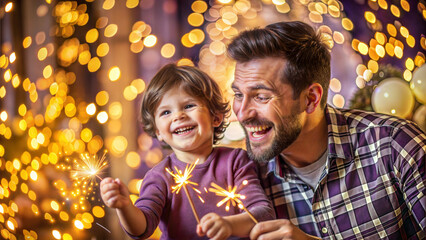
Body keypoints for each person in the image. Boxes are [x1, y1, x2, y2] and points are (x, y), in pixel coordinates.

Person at [228, 21, 426, 240]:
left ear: (311, 99)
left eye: (261, 97)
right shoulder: (246, 178)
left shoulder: (395, 144)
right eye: (238, 95)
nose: (242, 113)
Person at [100, 63, 275, 240]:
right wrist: (124, 206)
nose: (178, 116)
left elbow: (263, 214)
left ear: (216, 117)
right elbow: (142, 229)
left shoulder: (236, 161)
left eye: (189, 106)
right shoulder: (160, 177)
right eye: (166, 112)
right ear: (158, 132)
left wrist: (230, 225)